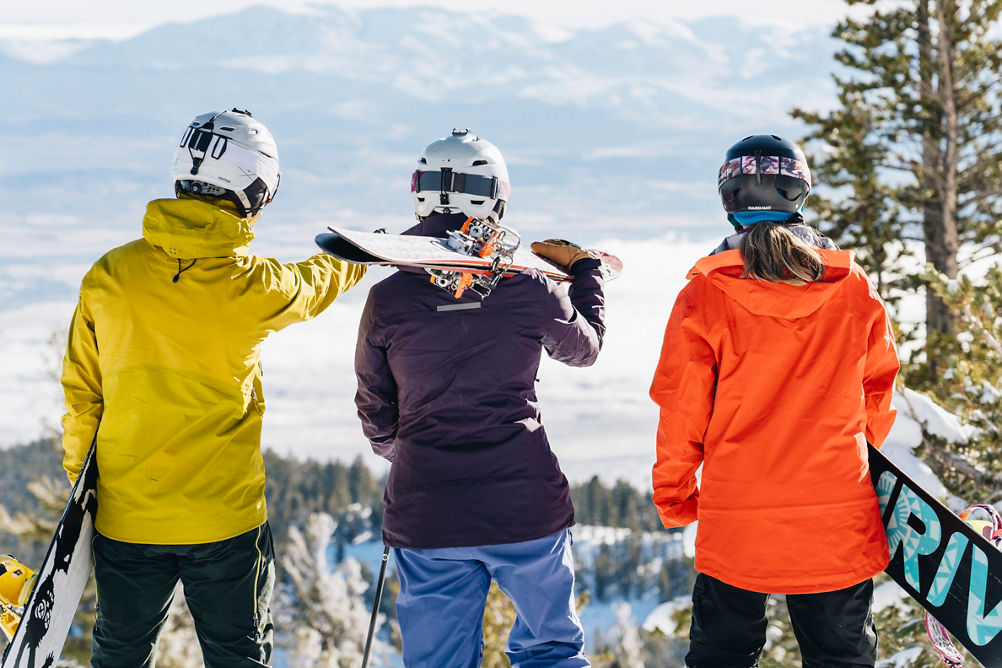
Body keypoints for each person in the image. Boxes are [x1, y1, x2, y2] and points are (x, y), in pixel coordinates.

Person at [59, 108, 367, 667]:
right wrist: (361, 255)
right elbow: (316, 280)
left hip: (127, 518)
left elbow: (83, 394)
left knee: (119, 655)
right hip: (225, 525)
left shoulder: (109, 275)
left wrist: (85, 483)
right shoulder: (253, 285)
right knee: (238, 657)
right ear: (253, 189)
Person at [354, 129, 605, 667]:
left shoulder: (388, 297)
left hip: (427, 513)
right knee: (551, 653)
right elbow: (584, 351)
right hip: (525, 506)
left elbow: (375, 409)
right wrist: (587, 277)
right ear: (495, 195)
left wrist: (415, 453)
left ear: (419, 191)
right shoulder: (529, 287)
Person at [650, 134, 900, 667]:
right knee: (841, 659)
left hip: (736, 517)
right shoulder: (851, 285)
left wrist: (675, 497)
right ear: (800, 193)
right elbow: (879, 388)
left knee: (722, 656)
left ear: (729, 199)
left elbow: (681, 408)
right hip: (835, 514)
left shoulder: (705, 294)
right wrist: (848, 455)